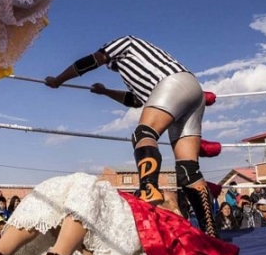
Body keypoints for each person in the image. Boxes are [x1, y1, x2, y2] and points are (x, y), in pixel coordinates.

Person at [45, 35, 217, 236]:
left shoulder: (125, 43)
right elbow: (135, 100)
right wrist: (106, 92)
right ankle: (211, 234)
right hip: (193, 92)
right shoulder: (137, 70)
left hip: (172, 83)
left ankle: (149, 188)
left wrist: (58, 80)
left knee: (144, 132)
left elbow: (90, 62)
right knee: (189, 170)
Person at [0, 172, 238, 255]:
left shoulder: (176, 221)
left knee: (89, 185)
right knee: (72, 185)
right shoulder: (139, 198)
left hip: (124, 228)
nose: (158, 191)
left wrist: (172, 207)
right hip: (99, 219)